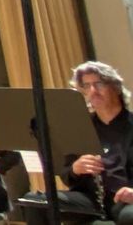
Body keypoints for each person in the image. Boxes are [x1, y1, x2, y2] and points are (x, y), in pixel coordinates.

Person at [20, 61, 133, 225]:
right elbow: (66, 175)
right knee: (35, 202)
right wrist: (75, 169)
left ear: (115, 88)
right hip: (91, 199)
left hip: (127, 200)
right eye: (87, 86)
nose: (93, 91)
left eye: (99, 84)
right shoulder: (80, 128)